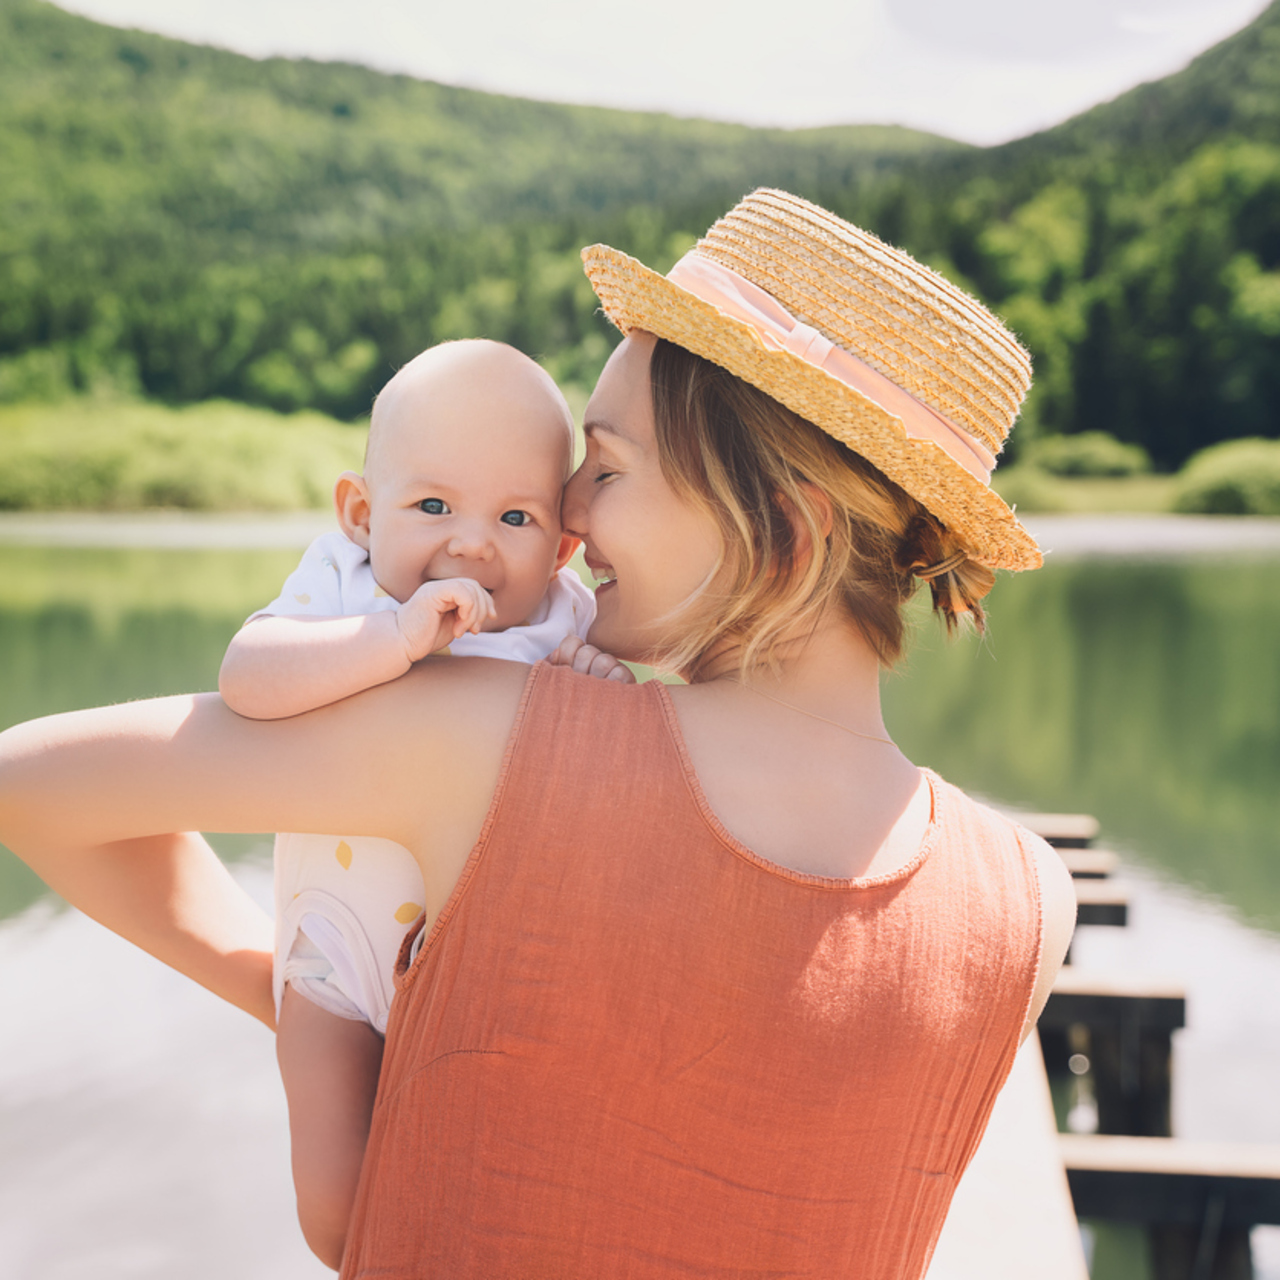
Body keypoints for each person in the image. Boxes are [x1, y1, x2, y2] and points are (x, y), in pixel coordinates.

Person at [0, 189, 1076, 1279]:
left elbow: (29, 786)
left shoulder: (496, 736)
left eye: (604, 466)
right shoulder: (1028, 900)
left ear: (785, 532)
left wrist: (289, 983)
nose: (560, 511)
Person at [217, 338, 615, 1264]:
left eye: (513, 516)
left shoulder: (559, 618)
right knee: (333, 1204)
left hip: (487, 961)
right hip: (333, 956)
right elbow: (247, 680)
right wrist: (391, 641)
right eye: (432, 505)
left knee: (484, 1186)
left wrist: (600, 681)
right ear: (361, 512)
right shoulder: (342, 587)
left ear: (560, 548)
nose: (471, 541)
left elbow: (598, 769)